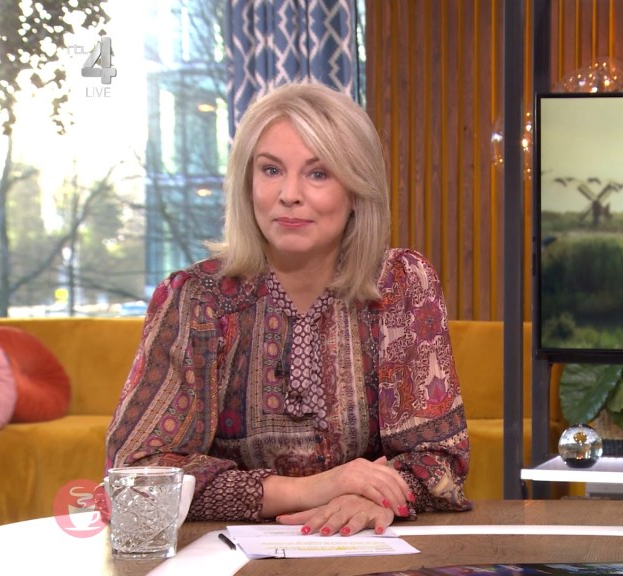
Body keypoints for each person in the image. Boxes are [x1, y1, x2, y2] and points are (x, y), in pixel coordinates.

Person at [105, 81, 471, 536]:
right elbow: (137, 476)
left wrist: (369, 499)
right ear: (247, 183)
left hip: (365, 549)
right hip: (225, 555)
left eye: (318, 173)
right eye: (271, 170)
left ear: (357, 190)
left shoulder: (401, 283)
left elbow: (439, 461)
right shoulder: (197, 298)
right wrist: (316, 488)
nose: (290, 194)